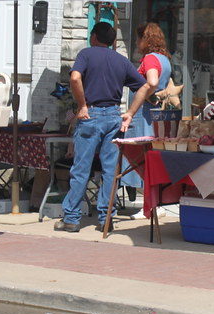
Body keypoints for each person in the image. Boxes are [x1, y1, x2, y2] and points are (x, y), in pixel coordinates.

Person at [57, 22, 153, 232]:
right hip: (113, 115)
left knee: (81, 168)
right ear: (112, 41)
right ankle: (106, 217)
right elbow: (146, 86)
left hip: (90, 114)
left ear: (93, 37)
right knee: (111, 170)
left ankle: (72, 218)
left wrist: (82, 105)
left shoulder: (86, 54)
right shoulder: (121, 60)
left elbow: (74, 77)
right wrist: (130, 113)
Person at [119, 22, 173, 191]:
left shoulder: (150, 58)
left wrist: (134, 107)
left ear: (146, 39)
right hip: (155, 116)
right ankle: (152, 200)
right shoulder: (165, 59)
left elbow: (152, 82)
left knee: (138, 155)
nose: (136, 42)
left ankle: (146, 201)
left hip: (143, 115)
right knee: (151, 155)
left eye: (138, 38)